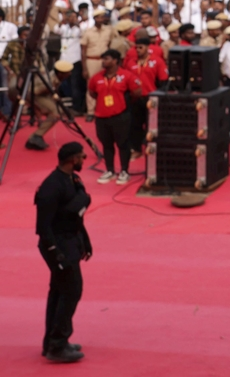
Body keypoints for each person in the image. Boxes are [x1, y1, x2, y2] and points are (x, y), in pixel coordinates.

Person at [35, 141, 91, 364]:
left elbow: (75, 218)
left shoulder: (72, 180)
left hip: (69, 242)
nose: (84, 160)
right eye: (82, 157)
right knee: (71, 290)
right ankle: (57, 345)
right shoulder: (51, 186)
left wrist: (84, 241)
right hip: (58, 245)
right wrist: (55, 252)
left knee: (59, 291)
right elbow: (43, 227)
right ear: (72, 159)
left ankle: (52, 340)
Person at [86, 50, 143, 185]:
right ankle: (110, 170)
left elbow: (137, 93)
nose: (103, 61)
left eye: (107, 58)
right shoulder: (96, 78)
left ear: (116, 60)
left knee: (123, 144)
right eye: (103, 59)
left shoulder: (127, 76)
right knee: (106, 144)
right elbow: (92, 93)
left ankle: (124, 171)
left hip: (120, 116)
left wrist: (123, 104)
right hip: (101, 116)